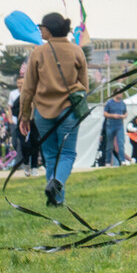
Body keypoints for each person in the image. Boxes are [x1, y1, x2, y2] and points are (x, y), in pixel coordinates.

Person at [18, 13, 88, 207]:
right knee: (66, 154)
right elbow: (84, 84)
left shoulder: (38, 53)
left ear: (49, 29)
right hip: (69, 111)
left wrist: (24, 115)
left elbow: (28, 88)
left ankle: (55, 197)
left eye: (41, 26)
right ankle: (57, 184)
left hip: (42, 111)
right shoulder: (76, 51)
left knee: (50, 155)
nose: (40, 30)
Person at [100, 93, 127, 166]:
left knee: (121, 143)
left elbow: (125, 113)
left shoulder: (123, 103)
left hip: (119, 125)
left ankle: (122, 160)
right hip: (110, 125)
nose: (121, 95)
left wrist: (123, 116)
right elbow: (105, 114)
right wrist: (112, 115)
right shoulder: (109, 103)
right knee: (109, 144)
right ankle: (108, 161)